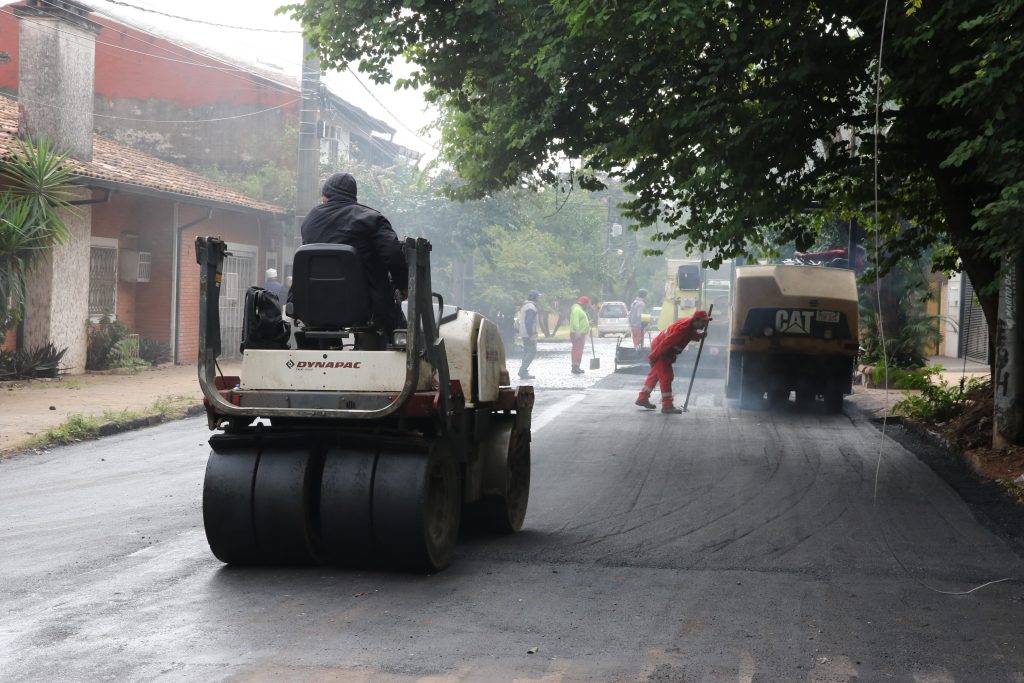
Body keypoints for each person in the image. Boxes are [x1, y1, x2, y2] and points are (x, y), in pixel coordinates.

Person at [299, 172, 408, 341]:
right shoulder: (372, 219)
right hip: (368, 306)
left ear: (326, 197)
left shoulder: (309, 220)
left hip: (315, 304)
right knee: (395, 323)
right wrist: (403, 286)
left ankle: (325, 346)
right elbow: (393, 254)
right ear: (352, 197)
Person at [635, 309, 712, 414]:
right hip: (661, 349)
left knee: (655, 375)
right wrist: (653, 357)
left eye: (706, 321)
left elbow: (689, 334)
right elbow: (665, 343)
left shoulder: (689, 325)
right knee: (667, 376)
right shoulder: (683, 329)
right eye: (703, 321)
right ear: (696, 320)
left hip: (663, 349)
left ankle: (642, 398)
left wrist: (699, 336)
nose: (705, 324)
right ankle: (667, 406)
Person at [517, 290, 541, 380]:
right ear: (535, 297)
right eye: (538, 297)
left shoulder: (526, 306)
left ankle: (524, 372)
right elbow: (529, 322)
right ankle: (522, 370)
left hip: (524, 333)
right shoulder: (531, 307)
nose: (539, 299)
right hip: (529, 334)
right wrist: (531, 335)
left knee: (526, 352)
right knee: (532, 352)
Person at [569, 295, 591, 374]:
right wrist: (577, 332)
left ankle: (576, 366)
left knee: (578, 350)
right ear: (584, 303)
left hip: (579, 333)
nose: (587, 306)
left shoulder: (579, 309)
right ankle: (575, 367)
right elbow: (575, 322)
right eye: (587, 304)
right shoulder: (577, 310)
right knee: (577, 350)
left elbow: (580, 320)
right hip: (578, 333)